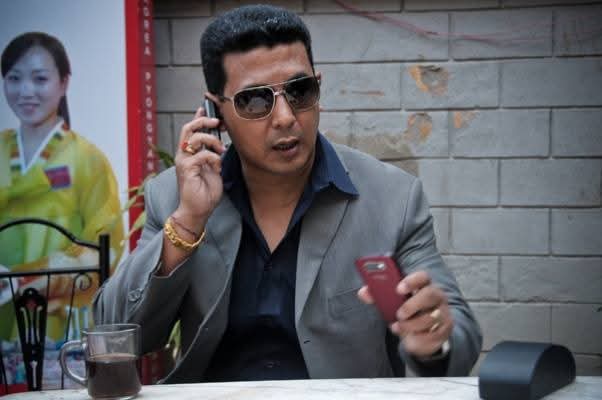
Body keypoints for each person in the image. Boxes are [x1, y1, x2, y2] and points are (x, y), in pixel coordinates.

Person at [94, 5, 481, 382]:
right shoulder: (175, 197)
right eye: (255, 99)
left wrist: (435, 339)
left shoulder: (392, 197)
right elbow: (114, 333)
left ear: (318, 87)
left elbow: (460, 340)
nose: (285, 117)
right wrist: (188, 222)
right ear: (216, 114)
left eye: (300, 90)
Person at [0, 31, 124, 369]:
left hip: (58, 318)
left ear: (64, 82)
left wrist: (23, 279)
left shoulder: (87, 159)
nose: (26, 91)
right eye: (14, 78)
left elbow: (105, 246)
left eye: (40, 79)